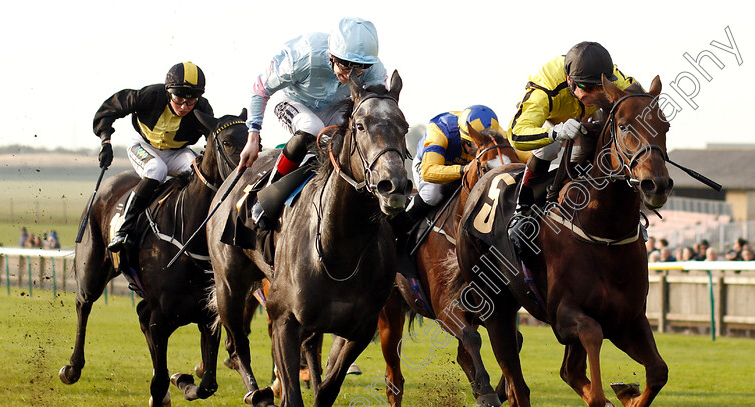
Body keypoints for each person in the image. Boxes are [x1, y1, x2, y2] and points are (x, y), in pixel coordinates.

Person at [241, 17, 387, 228]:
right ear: (331, 55)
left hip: (337, 108)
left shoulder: (375, 70)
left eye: (360, 67)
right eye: (346, 65)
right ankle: (266, 197)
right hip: (293, 101)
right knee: (312, 128)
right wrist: (252, 136)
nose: (352, 75)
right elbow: (260, 89)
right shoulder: (303, 56)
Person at [506, 42, 641, 246]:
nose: (594, 94)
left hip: (589, 113)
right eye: (587, 87)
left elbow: (641, 106)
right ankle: (523, 208)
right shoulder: (546, 87)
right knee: (549, 146)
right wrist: (555, 132)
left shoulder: (616, 79)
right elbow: (516, 134)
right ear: (570, 81)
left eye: (600, 86)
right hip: (553, 118)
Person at [93, 62, 213, 252]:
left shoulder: (203, 108)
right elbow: (109, 109)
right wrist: (105, 141)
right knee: (157, 169)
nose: (184, 106)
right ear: (168, 92)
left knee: (199, 172)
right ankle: (124, 229)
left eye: (191, 102)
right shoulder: (150, 96)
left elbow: (212, 137)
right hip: (142, 145)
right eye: (179, 99)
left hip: (177, 152)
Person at [401, 105, 530, 230]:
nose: (475, 149)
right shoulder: (440, 129)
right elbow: (428, 172)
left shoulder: (498, 135)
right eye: (472, 144)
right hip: (430, 165)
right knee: (432, 194)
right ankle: (402, 225)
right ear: (463, 138)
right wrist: (463, 170)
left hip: (474, 168)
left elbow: (522, 156)